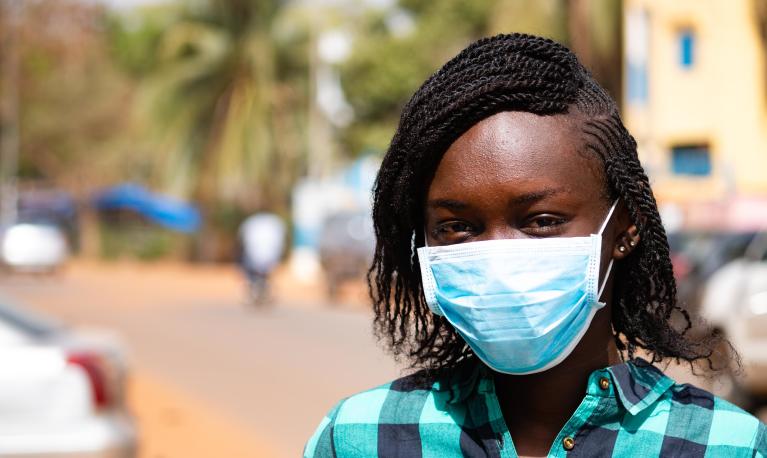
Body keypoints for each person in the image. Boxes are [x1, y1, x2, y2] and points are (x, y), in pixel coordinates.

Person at [304, 34, 766, 457]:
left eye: (542, 221)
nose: (498, 255)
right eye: (457, 226)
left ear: (624, 227)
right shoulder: (360, 439)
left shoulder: (723, 446)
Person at [237, 212, 285, 305]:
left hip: (254, 256)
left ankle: (251, 287)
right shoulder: (276, 222)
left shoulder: (250, 222)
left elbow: (242, 240)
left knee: (246, 267)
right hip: (271, 257)